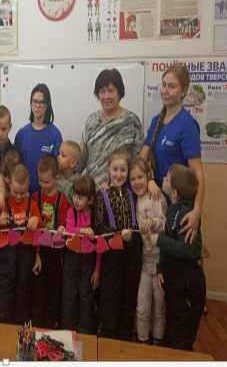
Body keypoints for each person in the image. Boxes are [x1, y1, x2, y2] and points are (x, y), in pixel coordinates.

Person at [138, 66, 204, 244]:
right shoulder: (156, 121)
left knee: (177, 256)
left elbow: (198, 174)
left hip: (179, 207)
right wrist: (149, 179)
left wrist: (197, 212)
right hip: (158, 205)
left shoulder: (187, 124)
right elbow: (141, 162)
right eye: (163, 84)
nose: (165, 90)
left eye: (172, 86)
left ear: (184, 91)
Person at [94, 148, 140, 340]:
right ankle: (106, 339)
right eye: (115, 170)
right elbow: (98, 227)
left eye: (123, 170)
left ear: (128, 171)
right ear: (108, 168)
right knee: (110, 297)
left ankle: (125, 339)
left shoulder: (134, 192)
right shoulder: (102, 194)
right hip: (111, 251)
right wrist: (119, 234)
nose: (119, 174)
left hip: (133, 251)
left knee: (129, 296)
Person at [158, 164, 204, 351]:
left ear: (174, 191)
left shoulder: (185, 214)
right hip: (175, 276)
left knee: (180, 338)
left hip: (188, 282)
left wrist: (158, 240)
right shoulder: (172, 208)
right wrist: (160, 269)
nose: (163, 179)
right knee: (172, 330)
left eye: (166, 179)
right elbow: (169, 238)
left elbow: (187, 250)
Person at [0, 163, 38, 325]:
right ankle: (1, 329)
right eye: (15, 192)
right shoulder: (4, 205)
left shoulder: (33, 205)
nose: (19, 197)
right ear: (9, 184)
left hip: (26, 258)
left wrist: (36, 219)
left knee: (23, 294)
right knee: (3, 295)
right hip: (6, 260)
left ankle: (20, 329)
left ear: (29, 185)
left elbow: (38, 235)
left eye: (22, 193)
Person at [31, 155, 70, 329]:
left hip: (55, 254)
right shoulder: (34, 197)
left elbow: (63, 225)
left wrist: (62, 228)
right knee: (38, 292)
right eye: (40, 180)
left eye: (46, 182)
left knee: (54, 292)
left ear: (56, 178)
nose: (42, 185)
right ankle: (36, 326)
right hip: (39, 252)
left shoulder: (63, 200)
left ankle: (51, 327)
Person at [131, 158, 166, 346]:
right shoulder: (134, 199)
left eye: (140, 177)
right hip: (144, 266)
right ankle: (143, 342)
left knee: (160, 309)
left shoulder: (156, 196)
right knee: (142, 309)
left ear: (148, 177)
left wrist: (152, 222)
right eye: (133, 179)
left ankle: (158, 344)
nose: (137, 182)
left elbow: (165, 225)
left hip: (160, 266)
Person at [62, 176, 101, 334]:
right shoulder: (72, 211)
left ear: (90, 199)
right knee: (69, 298)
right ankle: (67, 335)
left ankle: (86, 336)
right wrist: (83, 231)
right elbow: (68, 229)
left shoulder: (95, 215)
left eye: (80, 197)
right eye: (74, 196)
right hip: (71, 259)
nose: (76, 200)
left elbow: (99, 246)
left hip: (89, 262)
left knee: (86, 299)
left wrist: (97, 270)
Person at [14, 84, 63, 194]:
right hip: (24, 195)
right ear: (31, 103)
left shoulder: (55, 134)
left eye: (42, 102)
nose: (37, 106)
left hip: (47, 195)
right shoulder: (21, 134)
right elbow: (16, 168)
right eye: (35, 101)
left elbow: (57, 168)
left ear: (47, 105)